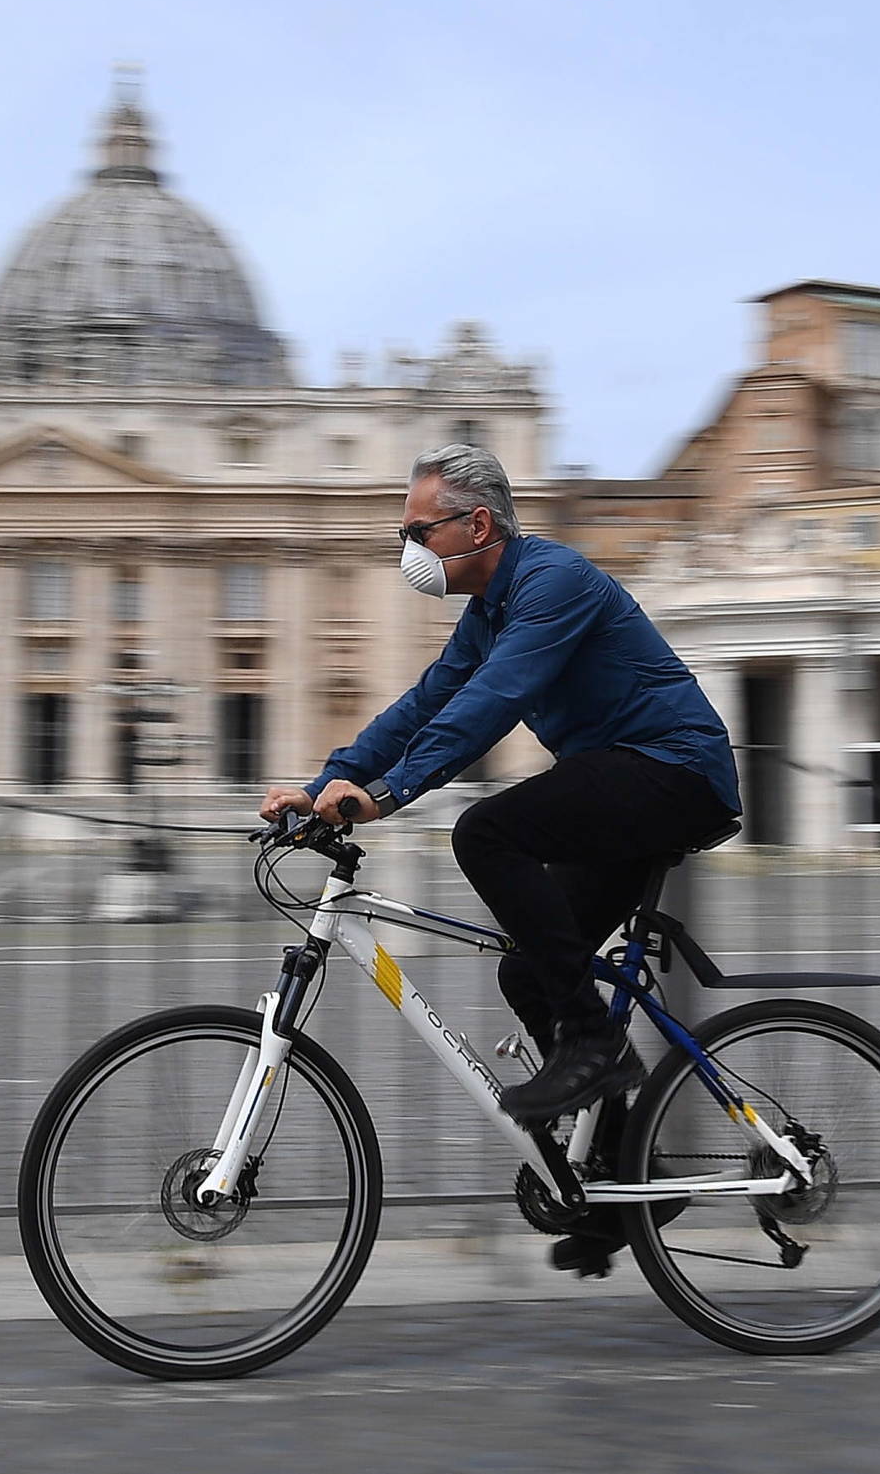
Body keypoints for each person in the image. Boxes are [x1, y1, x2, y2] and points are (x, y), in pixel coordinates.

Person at [257, 443, 741, 1275]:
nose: (407, 550)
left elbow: (495, 700)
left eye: (418, 530)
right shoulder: (486, 612)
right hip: (624, 782)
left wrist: (392, 794)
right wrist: (324, 783)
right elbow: (425, 702)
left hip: (675, 772)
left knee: (486, 833)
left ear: (477, 523)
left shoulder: (552, 582)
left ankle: (593, 1043)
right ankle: (627, 1179)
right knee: (529, 972)